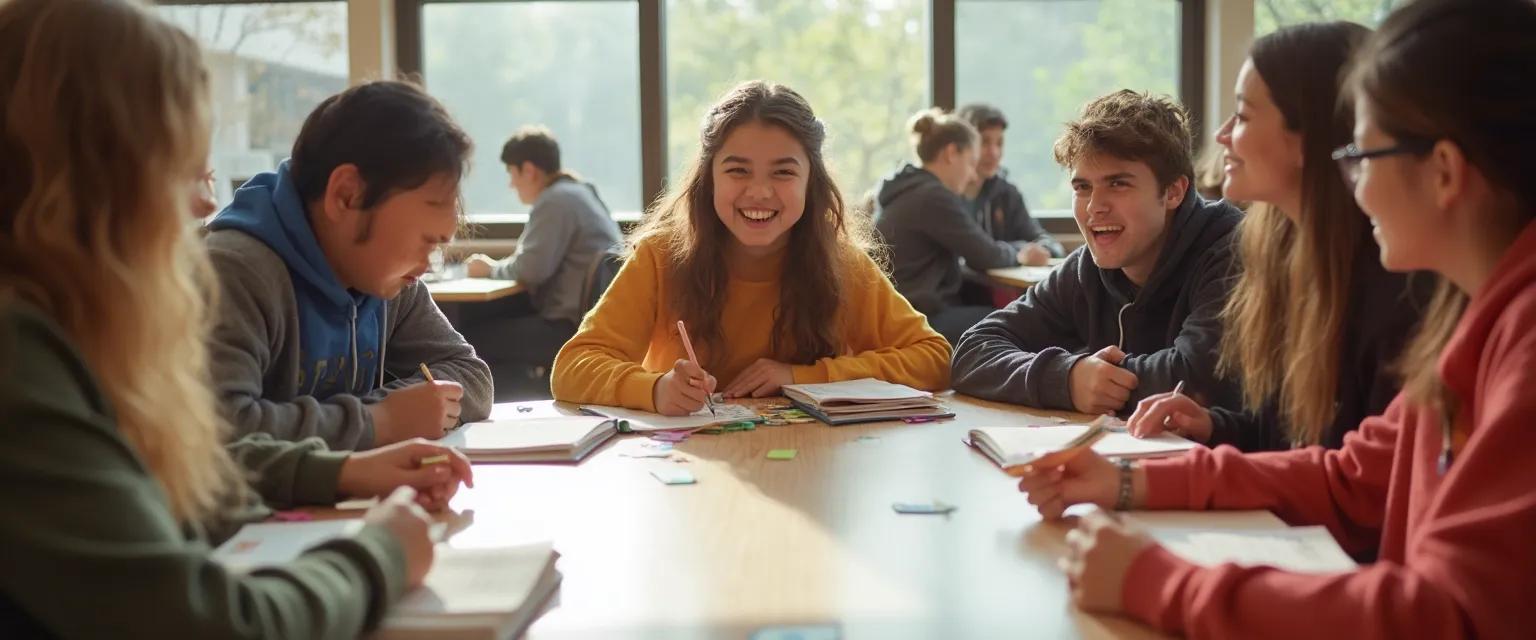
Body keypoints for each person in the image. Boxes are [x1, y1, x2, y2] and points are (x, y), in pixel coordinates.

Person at [1024, 1, 1536, 636]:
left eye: (1364, 155)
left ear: (1444, 172)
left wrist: (1159, 580)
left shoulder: (1503, 328)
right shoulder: (1479, 313)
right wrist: (1127, 480)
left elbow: (1450, 614)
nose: (1356, 184)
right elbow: (1355, 477)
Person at [0, 1, 473, 635]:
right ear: (90, 184)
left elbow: (175, 464)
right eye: (182, 169)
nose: (204, 201)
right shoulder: (17, 356)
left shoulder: (69, 333)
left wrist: (342, 468)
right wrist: (380, 551)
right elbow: (214, 625)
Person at [551, 81, 950, 415]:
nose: (759, 192)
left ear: (812, 182)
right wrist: (655, 389)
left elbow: (934, 359)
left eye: (783, 172)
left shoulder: (841, 262)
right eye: (738, 170)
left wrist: (801, 377)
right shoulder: (661, 255)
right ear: (708, 178)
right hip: (684, 469)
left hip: (812, 468)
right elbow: (571, 368)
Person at [1123, 23, 1432, 451]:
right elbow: (1286, 438)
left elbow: (1360, 479)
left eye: (1244, 115)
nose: (1222, 134)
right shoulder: (1280, 255)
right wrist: (1214, 427)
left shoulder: (1396, 287)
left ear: (1309, 137)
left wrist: (1140, 484)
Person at [205, 80, 494, 450]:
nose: (427, 265)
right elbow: (218, 432)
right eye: (425, 240)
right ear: (346, 195)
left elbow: (472, 376)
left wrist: (394, 412)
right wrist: (380, 420)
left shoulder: (384, 278)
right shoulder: (235, 271)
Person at [951, 90, 1244, 416]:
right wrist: (1068, 379)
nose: (1095, 207)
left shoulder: (1231, 249)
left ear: (1174, 191)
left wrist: (1095, 381)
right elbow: (972, 352)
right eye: (1082, 187)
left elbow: (1196, 381)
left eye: (1118, 184)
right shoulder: (1085, 269)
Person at [460, 126, 622, 376]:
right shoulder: (581, 190)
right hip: (591, 324)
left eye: (511, 173)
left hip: (564, 329)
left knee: (467, 338)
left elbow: (531, 270)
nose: (511, 183)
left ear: (529, 170)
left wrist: (490, 268)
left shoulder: (554, 200)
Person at [874, 108, 1037, 343]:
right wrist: (1021, 253)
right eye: (971, 163)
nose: (972, 176)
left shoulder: (909, 190)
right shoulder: (932, 197)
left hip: (902, 312)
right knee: (1017, 323)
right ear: (951, 153)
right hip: (917, 318)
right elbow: (986, 255)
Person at [956, 103, 1064, 260]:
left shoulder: (1006, 193)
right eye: (984, 142)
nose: (994, 152)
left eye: (999, 143)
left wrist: (1042, 250)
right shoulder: (945, 196)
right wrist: (1019, 251)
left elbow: (1045, 241)